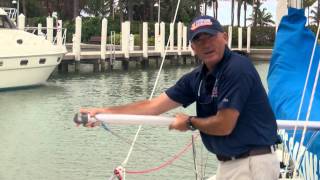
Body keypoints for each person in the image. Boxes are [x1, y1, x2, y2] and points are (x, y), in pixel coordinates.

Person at [80, 15, 280, 180]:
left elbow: (225, 124)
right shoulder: (197, 77)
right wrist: (103, 112)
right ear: (192, 47)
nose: (205, 44)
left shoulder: (237, 68)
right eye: (198, 40)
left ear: (225, 37)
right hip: (230, 164)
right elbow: (152, 106)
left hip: (253, 164)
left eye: (210, 37)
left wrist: (190, 122)